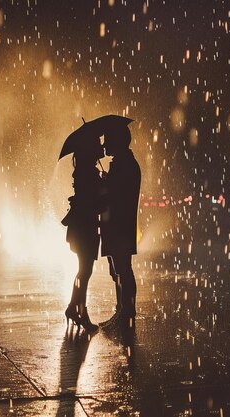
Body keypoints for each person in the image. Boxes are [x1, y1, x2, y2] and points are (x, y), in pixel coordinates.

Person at [61, 136, 105, 333]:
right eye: (97, 145)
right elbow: (93, 202)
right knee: (85, 271)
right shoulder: (88, 173)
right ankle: (79, 311)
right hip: (85, 228)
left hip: (82, 227)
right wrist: (105, 187)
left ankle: (74, 308)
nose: (101, 147)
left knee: (84, 270)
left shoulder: (83, 172)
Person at [100, 125, 141, 327]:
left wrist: (104, 185)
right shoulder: (125, 163)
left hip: (119, 225)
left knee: (123, 269)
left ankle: (126, 312)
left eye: (107, 139)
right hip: (119, 225)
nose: (104, 144)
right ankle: (123, 311)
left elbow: (116, 196)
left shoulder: (123, 165)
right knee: (119, 269)